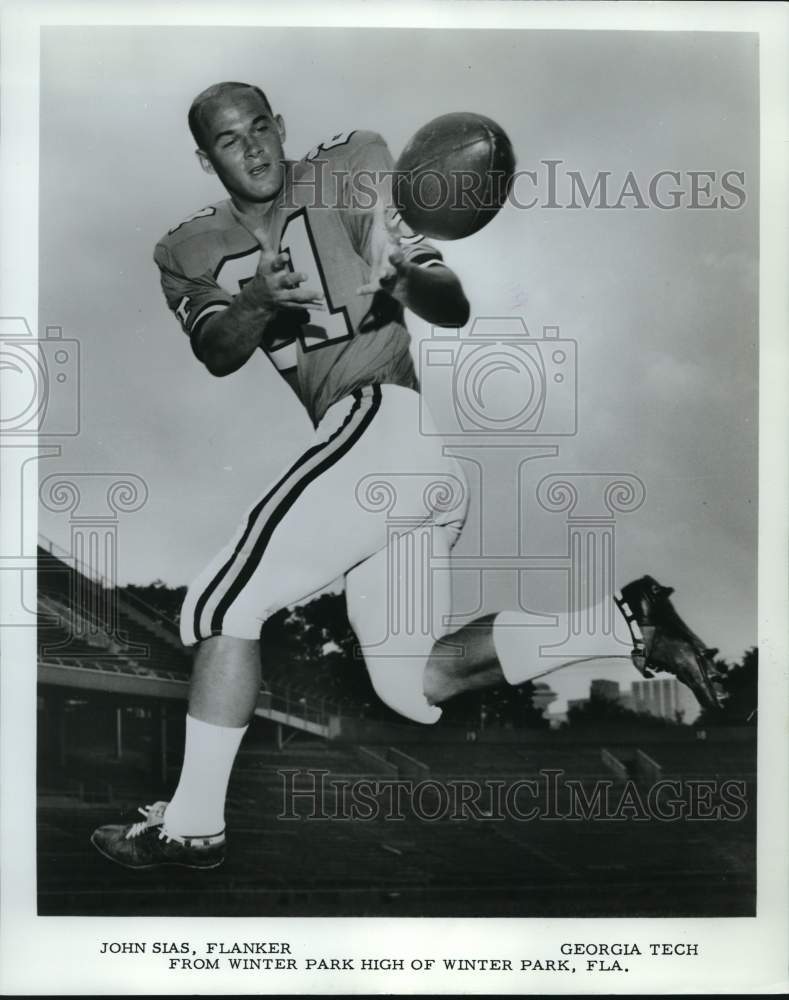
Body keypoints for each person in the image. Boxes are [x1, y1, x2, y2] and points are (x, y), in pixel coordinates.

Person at [91, 81, 721, 870]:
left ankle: (192, 826)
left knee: (221, 604)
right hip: (399, 469)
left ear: (281, 127)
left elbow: (447, 302)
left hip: (383, 422)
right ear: (205, 156)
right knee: (413, 683)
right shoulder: (186, 250)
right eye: (229, 139)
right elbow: (217, 350)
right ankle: (625, 622)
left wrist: (407, 276)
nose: (252, 148)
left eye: (260, 128)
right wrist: (254, 299)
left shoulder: (348, 169)